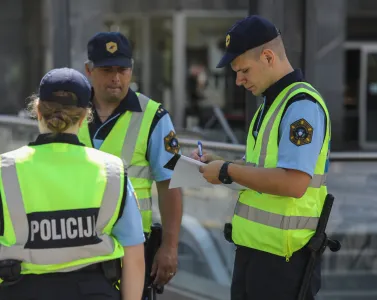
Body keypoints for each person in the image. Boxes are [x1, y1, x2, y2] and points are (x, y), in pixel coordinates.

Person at [191, 15, 331, 300]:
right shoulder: (272, 102)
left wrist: (228, 170)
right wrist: (219, 163)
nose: (239, 81)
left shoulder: (300, 106)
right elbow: (263, 169)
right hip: (256, 255)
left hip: (282, 262)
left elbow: (293, 183)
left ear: (268, 57)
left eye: (244, 70)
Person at [0, 68, 145, 300]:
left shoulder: (5, 170)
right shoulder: (112, 171)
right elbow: (134, 257)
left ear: (38, 110)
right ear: (85, 116)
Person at [79, 32, 183, 290]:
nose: (116, 77)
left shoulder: (153, 117)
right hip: (76, 243)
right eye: (107, 69)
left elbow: (170, 184)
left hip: (132, 248)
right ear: (88, 70)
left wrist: (169, 247)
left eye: (123, 69)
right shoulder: (72, 112)